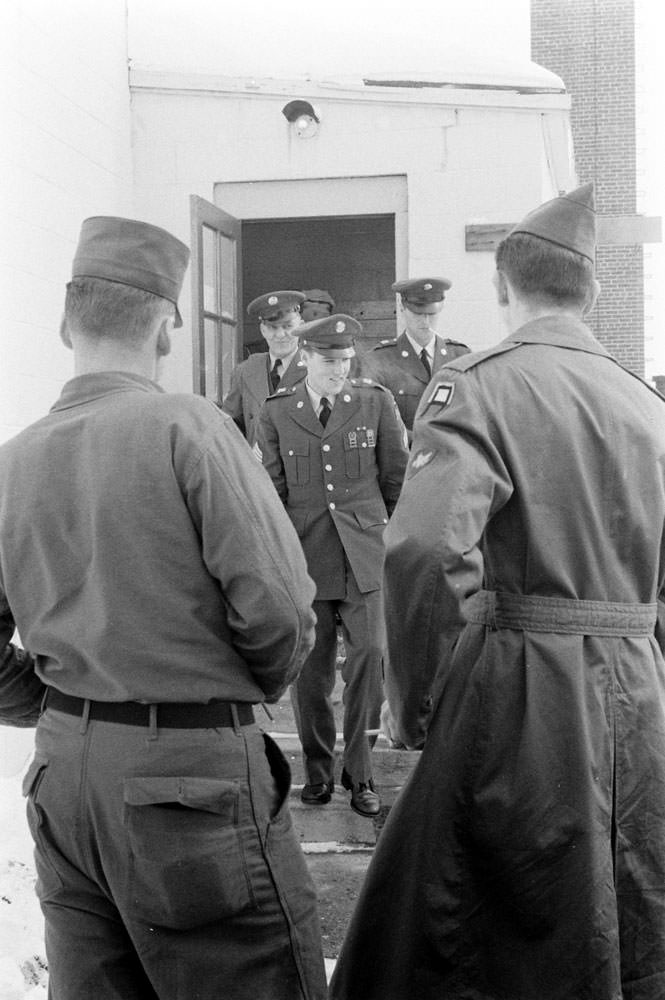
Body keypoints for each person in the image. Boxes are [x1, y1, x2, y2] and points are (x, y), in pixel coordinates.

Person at [330, 183, 665, 1000]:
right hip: (637, 692)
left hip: (519, 689)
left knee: (467, 931)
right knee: (627, 905)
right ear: (587, 292)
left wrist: (412, 704)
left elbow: (420, 551)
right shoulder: (646, 405)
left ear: (502, 288)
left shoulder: (479, 383)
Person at [0, 216, 327, 1000]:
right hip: (188, 774)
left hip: (65, 777)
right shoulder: (190, 428)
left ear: (63, 321)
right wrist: (241, 690)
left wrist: (60, 702)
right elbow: (281, 612)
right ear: (169, 331)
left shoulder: (12, 461)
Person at [257, 315, 408, 817]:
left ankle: (360, 773)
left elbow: (395, 481)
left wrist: (394, 545)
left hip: (365, 557)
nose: (338, 371)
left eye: (345, 361)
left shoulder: (374, 402)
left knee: (371, 660)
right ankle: (319, 772)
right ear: (305, 358)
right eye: (328, 361)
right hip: (307, 560)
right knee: (312, 674)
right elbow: (273, 497)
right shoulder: (277, 412)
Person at [360, 276, 470, 441]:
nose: (425, 321)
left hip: (452, 459)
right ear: (402, 308)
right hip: (406, 461)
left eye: (431, 313)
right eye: (417, 313)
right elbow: (375, 422)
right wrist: (427, 440)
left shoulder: (461, 357)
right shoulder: (379, 361)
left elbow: (473, 415)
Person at [222, 290, 307, 446]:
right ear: (263, 330)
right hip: (258, 467)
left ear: (300, 327)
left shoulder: (317, 368)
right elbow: (230, 428)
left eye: (288, 326)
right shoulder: (245, 371)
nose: (281, 335)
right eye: (273, 327)